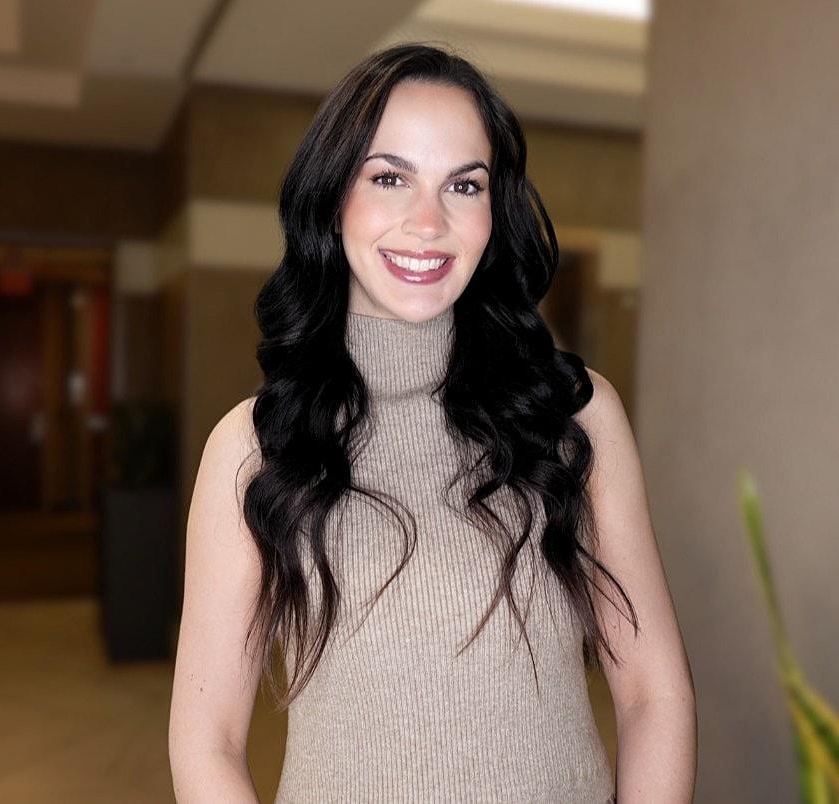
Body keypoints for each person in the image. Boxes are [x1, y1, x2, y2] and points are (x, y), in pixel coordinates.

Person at [169, 43, 695, 803]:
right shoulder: (254, 450)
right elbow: (205, 739)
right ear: (333, 198)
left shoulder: (574, 417)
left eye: (464, 185)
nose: (428, 222)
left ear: (494, 208)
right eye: (389, 178)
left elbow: (655, 695)